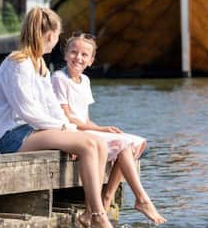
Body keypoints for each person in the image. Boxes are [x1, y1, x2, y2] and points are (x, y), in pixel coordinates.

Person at [0, 8, 113, 228]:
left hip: (30, 131)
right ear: (50, 36)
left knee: (98, 143)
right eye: (58, 37)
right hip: (9, 136)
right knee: (89, 145)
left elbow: (51, 106)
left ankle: (91, 214)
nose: (56, 42)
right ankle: (100, 218)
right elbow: (29, 113)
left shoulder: (40, 65)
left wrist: (69, 130)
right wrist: (65, 129)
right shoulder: (18, 64)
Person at [51, 32, 166, 225]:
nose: (78, 58)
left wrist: (104, 129)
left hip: (83, 130)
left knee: (132, 142)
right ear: (65, 54)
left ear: (91, 60)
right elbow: (68, 116)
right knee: (123, 143)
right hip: (68, 132)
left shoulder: (85, 81)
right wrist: (102, 129)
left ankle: (107, 198)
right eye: (73, 52)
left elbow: (84, 118)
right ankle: (141, 199)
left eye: (84, 55)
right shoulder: (59, 78)